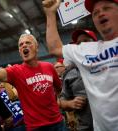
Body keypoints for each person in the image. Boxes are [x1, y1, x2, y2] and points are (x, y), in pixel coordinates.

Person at [43, 0, 118, 130]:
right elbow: (54, 48)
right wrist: (50, 13)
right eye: (95, 13)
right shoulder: (86, 51)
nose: (100, 14)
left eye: (106, 8)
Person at [0, 25, 66, 131]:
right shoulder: (16, 71)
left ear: (37, 48)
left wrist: (58, 104)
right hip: (35, 127)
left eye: (28, 43)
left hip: (58, 123)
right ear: (20, 51)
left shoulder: (49, 67)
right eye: (21, 44)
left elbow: (59, 89)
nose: (24, 45)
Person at [59, 29, 97, 131]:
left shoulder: (109, 65)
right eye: (79, 43)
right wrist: (70, 103)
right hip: (86, 128)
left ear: (96, 44)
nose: (82, 46)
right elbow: (61, 101)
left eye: (86, 41)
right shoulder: (70, 73)